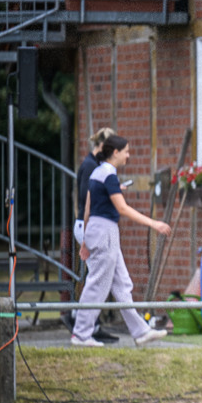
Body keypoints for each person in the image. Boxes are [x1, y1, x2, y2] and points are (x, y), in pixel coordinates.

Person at [72, 133, 171, 347]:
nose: (128, 155)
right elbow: (122, 208)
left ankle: (141, 332)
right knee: (98, 284)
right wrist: (154, 224)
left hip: (100, 232)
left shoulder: (98, 173)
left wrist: (86, 241)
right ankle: (81, 334)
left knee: (122, 285)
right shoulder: (109, 175)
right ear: (115, 152)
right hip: (106, 232)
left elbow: (88, 209)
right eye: (126, 151)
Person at [63, 127, 120, 342]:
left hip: (92, 225)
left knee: (96, 275)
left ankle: (87, 322)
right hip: (87, 226)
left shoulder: (95, 165)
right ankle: (82, 322)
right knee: (97, 277)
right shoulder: (90, 166)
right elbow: (88, 199)